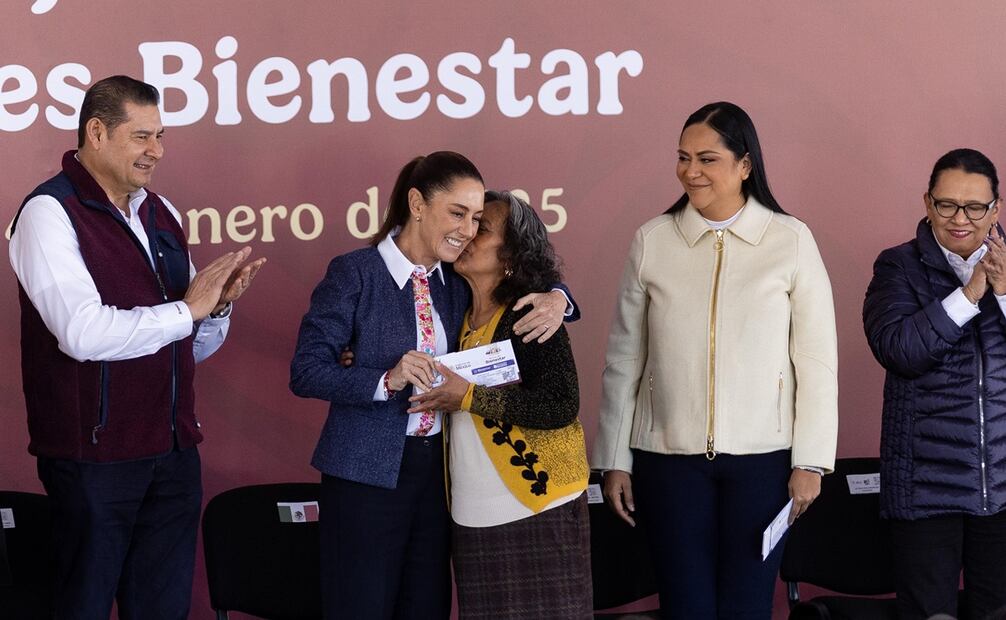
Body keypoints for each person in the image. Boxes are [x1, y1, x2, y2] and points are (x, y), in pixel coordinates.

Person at [8, 75, 265, 619]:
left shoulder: (161, 211)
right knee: (83, 607)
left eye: (161, 136)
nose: (157, 151)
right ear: (96, 133)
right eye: (142, 136)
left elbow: (181, 347)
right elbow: (81, 333)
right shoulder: (47, 213)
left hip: (173, 457)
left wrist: (213, 310)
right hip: (93, 461)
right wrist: (188, 310)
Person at [289, 153, 577, 619]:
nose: (467, 230)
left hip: (440, 476)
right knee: (359, 606)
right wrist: (386, 378)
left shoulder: (457, 280)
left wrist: (560, 297)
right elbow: (306, 371)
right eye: (457, 213)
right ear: (417, 204)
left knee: (426, 607)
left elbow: (520, 270)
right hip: (365, 474)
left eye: (477, 218)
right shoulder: (355, 272)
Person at [592, 101, 838, 619]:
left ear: (745, 165)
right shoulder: (652, 240)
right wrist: (615, 456)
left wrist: (811, 461)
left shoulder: (791, 240)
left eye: (707, 159)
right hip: (667, 463)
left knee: (748, 606)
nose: (690, 171)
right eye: (683, 158)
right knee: (686, 607)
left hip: (764, 464)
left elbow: (815, 360)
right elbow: (623, 358)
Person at [409, 191, 592, 619]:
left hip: (540, 505)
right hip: (472, 516)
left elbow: (560, 404)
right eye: (465, 222)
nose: (467, 234)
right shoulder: (449, 310)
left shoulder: (531, 312)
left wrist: (470, 397)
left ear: (512, 252)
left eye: (482, 227)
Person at [863, 148, 1006, 620]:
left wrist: (1003, 293)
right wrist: (969, 296)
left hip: (1003, 487)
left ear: (996, 209)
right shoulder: (897, 267)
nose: (960, 219)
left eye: (975, 207)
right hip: (926, 488)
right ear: (928, 203)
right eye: (947, 205)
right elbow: (900, 351)